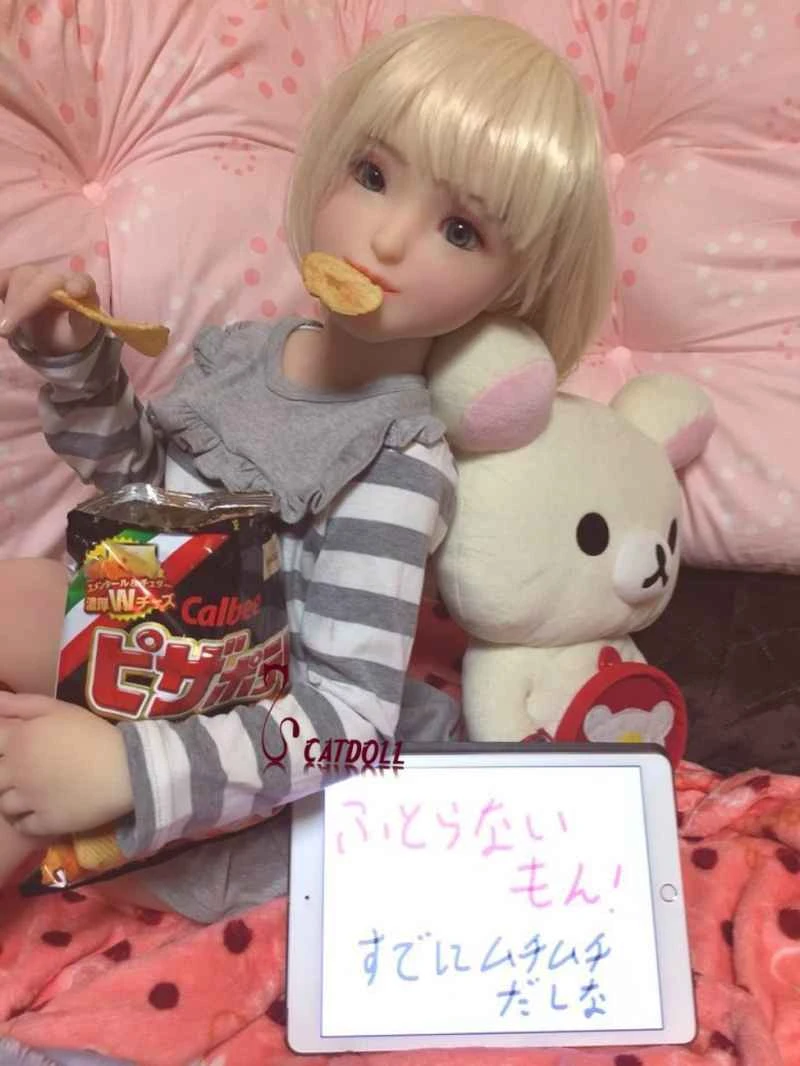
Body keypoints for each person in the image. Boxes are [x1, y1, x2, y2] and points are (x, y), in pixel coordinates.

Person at [0, 14, 613, 921]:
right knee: (19, 590)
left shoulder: (395, 461)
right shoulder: (246, 352)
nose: (387, 240)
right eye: (372, 175)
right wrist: (73, 360)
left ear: (512, 289)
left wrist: (128, 768)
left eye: (459, 230)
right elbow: (136, 489)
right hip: (145, 643)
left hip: (236, 735)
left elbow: (350, 725)